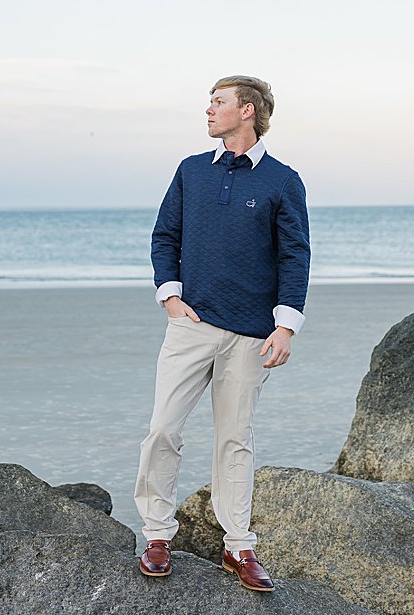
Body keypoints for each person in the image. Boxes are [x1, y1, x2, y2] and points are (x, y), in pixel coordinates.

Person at [133, 75, 309, 592]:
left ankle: (239, 546)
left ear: (248, 111)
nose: (208, 110)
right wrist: (170, 297)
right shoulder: (191, 171)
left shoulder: (283, 180)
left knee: (235, 440)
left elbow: (294, 254)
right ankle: (158, 534)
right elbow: (164, 236)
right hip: (192, 325)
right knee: (163, 428)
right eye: (210, 102)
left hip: (253, 335)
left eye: (218, 102)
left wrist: (286, 325)